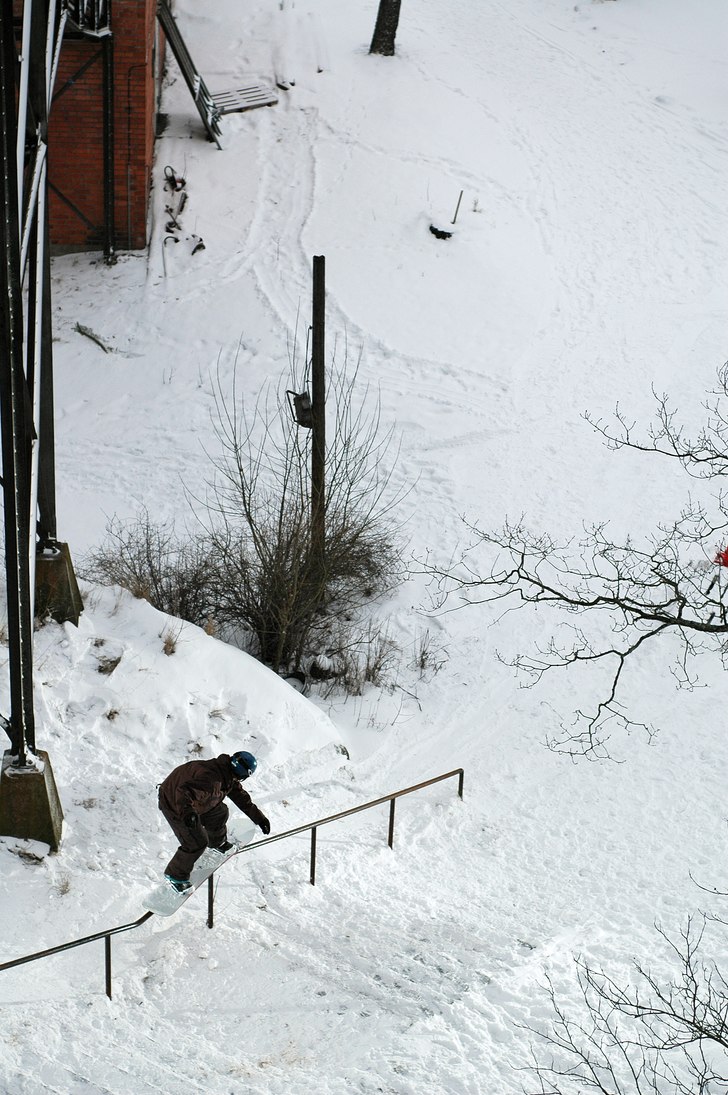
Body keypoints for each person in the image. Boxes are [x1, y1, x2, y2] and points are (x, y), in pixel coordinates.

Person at [158, 750, 271, 893]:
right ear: (243, 773)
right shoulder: (212, 779)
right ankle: (175, 875)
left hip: (194, 800)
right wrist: (188, 813)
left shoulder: (226, 774)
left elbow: (241, 798)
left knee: (220, 812)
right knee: (196, 842)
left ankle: (217, 842)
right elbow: (183, 792)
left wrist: (260, 818)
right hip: (174, 803)